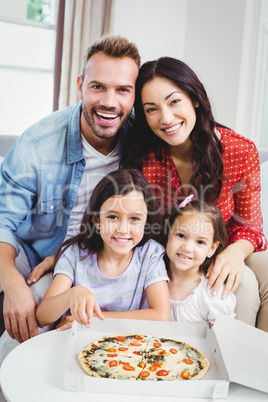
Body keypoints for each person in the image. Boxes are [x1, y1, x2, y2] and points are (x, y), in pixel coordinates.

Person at [0, 35, 140, 343]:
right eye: (98, 86)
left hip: (97, 254)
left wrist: (70, 251)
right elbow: (3, 220)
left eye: (122, 90)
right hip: (36, 253)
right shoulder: (39, 143)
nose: (109, 101)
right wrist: (12, 283)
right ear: (80, 85)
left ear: (135, 95)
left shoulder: (143, 142)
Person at [121, 56, 268, 331]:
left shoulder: (240, 151)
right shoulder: (142, 155)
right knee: (245, 282)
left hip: (218, 246)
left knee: (260, 272)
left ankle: (255, 366)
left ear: (195, 99)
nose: (166, 118)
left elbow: (250, 226)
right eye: (151, 109)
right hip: (168, 249)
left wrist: (233, 254)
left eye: (174, 101)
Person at [36, 169, 170, 328]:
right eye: (113, 217)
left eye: (134, 219)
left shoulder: (150, 254)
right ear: (97, 220)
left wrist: (92, 318)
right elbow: (43, 317)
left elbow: (161, 315)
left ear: (146, 222)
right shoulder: (75, 254)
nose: (123, 229)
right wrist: (71, 295)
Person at [161, 195, 236, 328]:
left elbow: (222, 342)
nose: (187, 248)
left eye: (200, 242)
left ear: (211, 249)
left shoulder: (212, 295)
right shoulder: (150, 276)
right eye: (181, 235)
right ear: (168, 233)